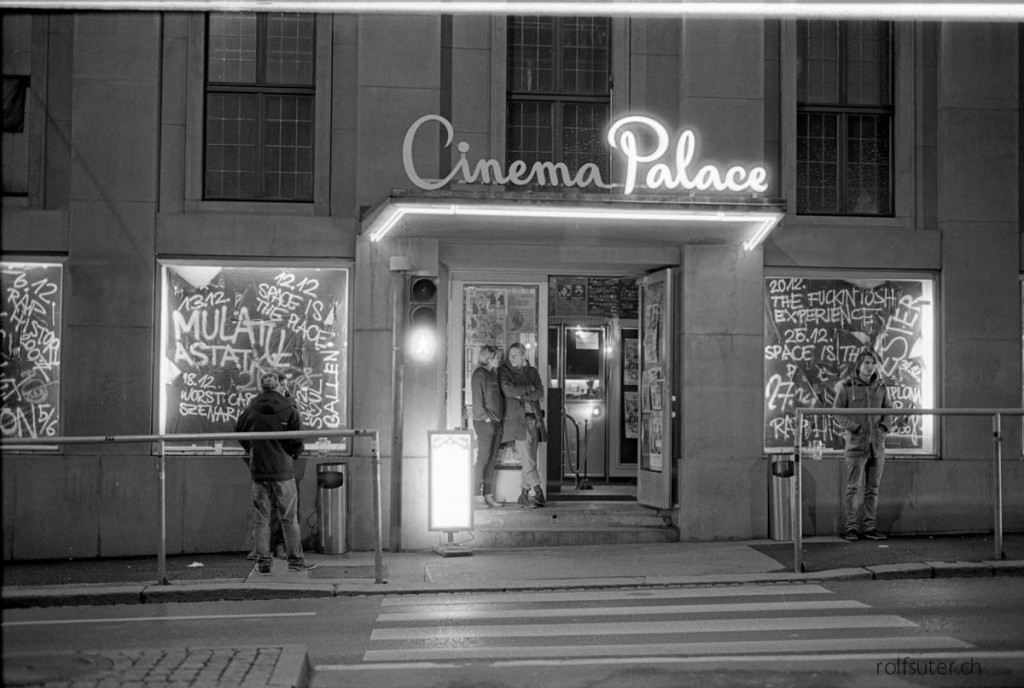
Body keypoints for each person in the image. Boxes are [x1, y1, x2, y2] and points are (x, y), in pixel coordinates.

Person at [234, 370, 317, 574]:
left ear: (261, 387)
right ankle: (295, 561)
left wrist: (251, 448)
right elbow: (298, 440)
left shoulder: (251, 408)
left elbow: (238, 431)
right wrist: (291, 454)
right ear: (280, 386)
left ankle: (263, 563)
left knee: (261, 518)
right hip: (282, 470)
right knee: (289, 518)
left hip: (259, 470)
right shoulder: (289, 408)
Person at [833, 349, 892, 542]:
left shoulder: (881, 387)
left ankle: (869, 527)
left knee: (872, 489)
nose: (870, 366)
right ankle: (851, 528)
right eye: (866, 362)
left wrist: (884, 427)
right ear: (859, 365)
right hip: (856, 446)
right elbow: (837, 412)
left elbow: (889, 410)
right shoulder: (846, 386)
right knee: (852, 489)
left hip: (877, 446)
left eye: (873, 363)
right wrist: (855, 427)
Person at [498, 342, 547, 509]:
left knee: (529, 459)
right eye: (510, 355)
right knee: (528, 458)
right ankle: (538, 492)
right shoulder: (504, 371)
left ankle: (524, 495)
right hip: (517, 421)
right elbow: (508, 390)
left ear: (523, 355)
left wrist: (523, 396)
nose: (511, 358)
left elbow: (540, 392)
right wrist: (528, 389)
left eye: (515, 355)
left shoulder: (532, 372)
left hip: (534, 419)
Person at [471, 345, 504, 508]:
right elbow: (477, 404)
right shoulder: (479, 375)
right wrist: (487, 421)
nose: (500, 359)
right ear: (489, 358)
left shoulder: (493, 374)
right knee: (483, 460)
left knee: (491, 461)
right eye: (497, 357)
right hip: (486, 424)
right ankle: (476, 496)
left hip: (496, 423)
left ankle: (488, 495)